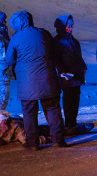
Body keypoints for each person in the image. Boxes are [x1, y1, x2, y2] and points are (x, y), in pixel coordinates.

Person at [5, 10, 68, 150]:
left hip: (27, 83)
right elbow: (54, 51)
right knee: (53, 110)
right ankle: (59, 140)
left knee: (29, 113)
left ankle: (32, 143)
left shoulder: (16, 38)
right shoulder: (43, 33)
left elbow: (9, 59)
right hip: (48, 80)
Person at [53, 14, 88, 130]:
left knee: (75, 99)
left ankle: (73, 122)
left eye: (72, 25)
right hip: (66, 77)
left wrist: (83, 67)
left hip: (76, 76)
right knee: (68, 100)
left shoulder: (73, 41)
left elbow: (78, 57)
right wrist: (63, 71)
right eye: (68, 26)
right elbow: (56, 59)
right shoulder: (58, 42)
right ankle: (69, 123)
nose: (71, 28)